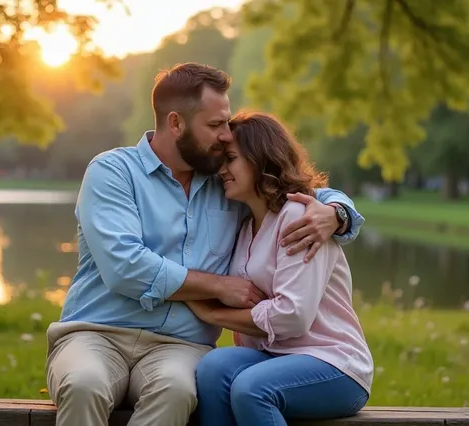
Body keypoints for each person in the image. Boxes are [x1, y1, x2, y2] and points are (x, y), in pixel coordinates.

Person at [44, 62, 366, 426]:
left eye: (225, 123)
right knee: (84, 384)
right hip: (95, 334)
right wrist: (218, 288)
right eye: (214, 125)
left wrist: (337, 212)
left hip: (178, 346)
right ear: (176, 123)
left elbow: (294, 185)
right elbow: (125, 267)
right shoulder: (113, 172)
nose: (225, 135)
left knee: (176, 391)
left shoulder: (226, 181)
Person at [189, 111, 374, 426]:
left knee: (251, 389)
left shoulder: (302, 219)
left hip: (335, 364)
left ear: (260, 160)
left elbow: (293, 315)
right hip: (275, 356)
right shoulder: (246, 224)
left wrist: (213, 315)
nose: (222, 170)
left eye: (231, 159)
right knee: (212, 368)